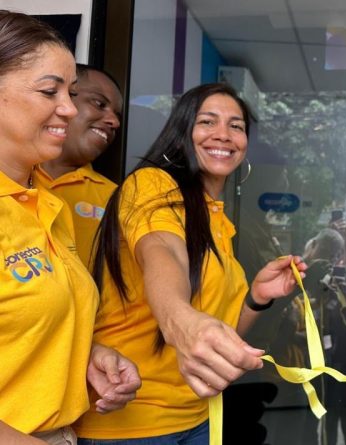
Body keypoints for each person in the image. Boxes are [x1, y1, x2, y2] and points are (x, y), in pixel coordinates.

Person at [73, 83, 307, 444]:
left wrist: (258, 297)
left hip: (198, 417)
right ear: (182, 131)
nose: (223, 134)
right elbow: (161, 250)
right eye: (207, 122)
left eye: (236, 126)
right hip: (134, 422)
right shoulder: (151, 184)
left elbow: (218, 333)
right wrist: (180, 320)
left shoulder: (218, 221)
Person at [0, 10, 140, 445]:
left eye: (72, 92)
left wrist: (87, 354)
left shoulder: (45, 204)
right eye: (50, 91)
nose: (69, 108)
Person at [35, 64, 122, 268]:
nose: (114, 122)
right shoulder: (13, 175)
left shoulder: (117, 199)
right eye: (99, 104)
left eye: (118, 116)